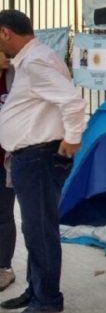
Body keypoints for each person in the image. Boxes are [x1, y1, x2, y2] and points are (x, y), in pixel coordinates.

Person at [0, 10, 87, 313]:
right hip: (32, 157)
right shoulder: (32, 59)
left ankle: (47, 301)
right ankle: (36, 289)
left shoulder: (35, 62)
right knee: (34, 229)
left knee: (40, 231)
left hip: (38, 157)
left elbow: (72, 102)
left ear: (5, 33)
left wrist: (72, 138)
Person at [0, 52, 15, 292]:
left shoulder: (15, 77)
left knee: (3, 214)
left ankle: (4, 268)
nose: (7, 57)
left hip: (6, 160)